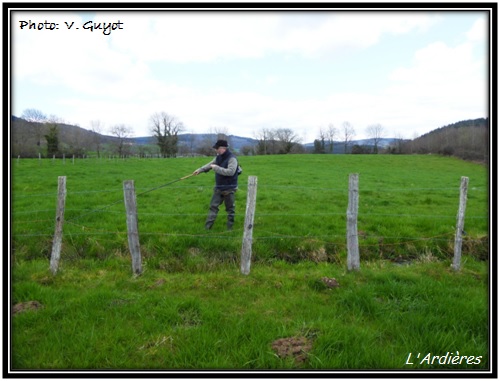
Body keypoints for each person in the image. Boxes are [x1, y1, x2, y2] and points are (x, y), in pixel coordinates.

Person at [193, 139, 240, 230]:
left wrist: (217, 168)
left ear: (223, 148)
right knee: (213, 207)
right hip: (218, 187)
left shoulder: (232, 159)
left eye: (216, 148)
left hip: (229, 188)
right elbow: (210, 164)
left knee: (230, 209)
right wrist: (199, 170)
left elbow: (230, 172)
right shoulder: (218, 157)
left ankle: (229, 229)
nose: (215, 150)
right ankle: (207, 229)